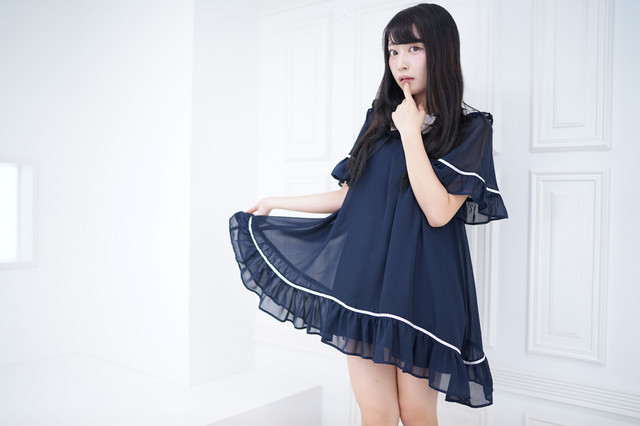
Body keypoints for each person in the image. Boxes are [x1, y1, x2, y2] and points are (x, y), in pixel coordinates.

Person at [229, 3, 507, 425]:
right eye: (393, 52)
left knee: (416, 414)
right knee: (375, 412)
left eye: (413, 48)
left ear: (442, 50)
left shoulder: (470, 129)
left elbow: (437, 211)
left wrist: (411, 132)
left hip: (424, 286)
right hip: (365, 279)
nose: (401, 62)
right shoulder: (378, 121)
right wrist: (276, 201)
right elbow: (349, 197)